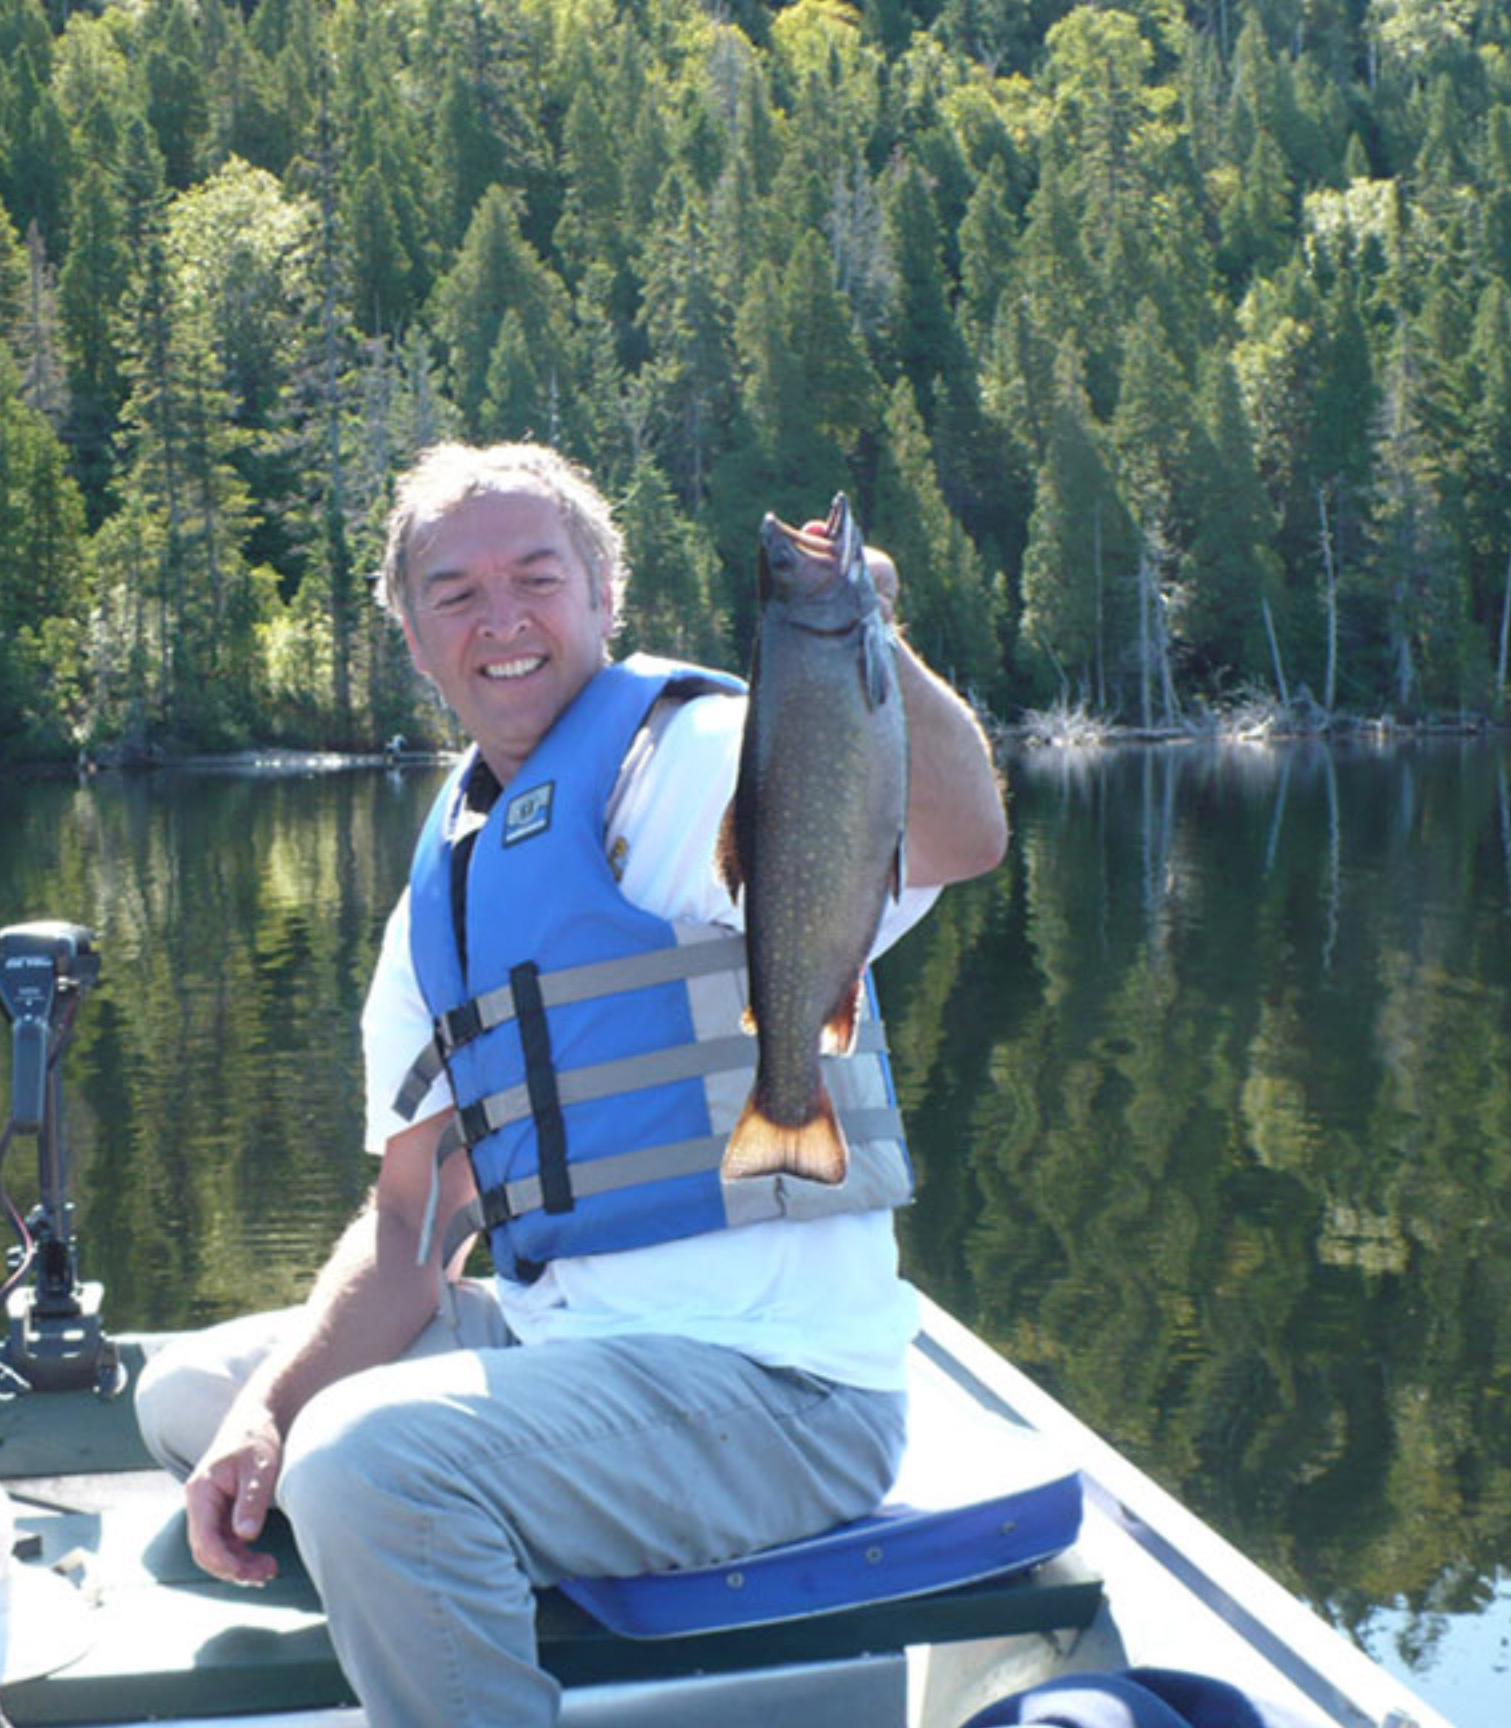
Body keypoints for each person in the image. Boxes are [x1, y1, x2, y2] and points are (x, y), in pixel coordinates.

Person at [134, 442, 1008, 1726]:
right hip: (572, 1359)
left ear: (605, 597)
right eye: (456, 593)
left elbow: (961, 834)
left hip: (778, 1392)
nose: (502, 621)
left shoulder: (702, 750)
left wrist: (864, 630)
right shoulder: (447, 890)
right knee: (200, 1401)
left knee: (364, 1467)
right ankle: (473, 1617)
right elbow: (411, 1228)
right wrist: (267, 1409)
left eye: (538, 577)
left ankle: (450, 1598)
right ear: (414, 639)